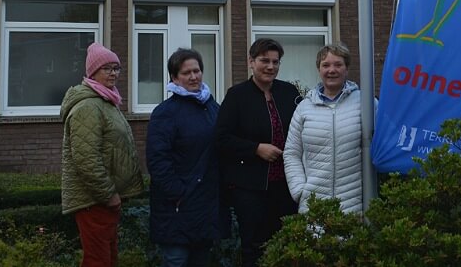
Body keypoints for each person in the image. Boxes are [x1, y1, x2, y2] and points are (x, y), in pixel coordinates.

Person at [214, 38, 300, 267]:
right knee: (254, 245)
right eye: (264, 60)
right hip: (250, 187)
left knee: (286, 243)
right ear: (251, 62)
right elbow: (221, 139)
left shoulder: (289, 92)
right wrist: (256, 149)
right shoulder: (237, 96)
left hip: (286, 185)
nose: (270, 66)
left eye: (275, 62)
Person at [61, 42, 144, 267]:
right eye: (106, 68)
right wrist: (108, 195)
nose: (113, 73)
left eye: (116, 68)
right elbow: (86, 160)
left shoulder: (106, 101)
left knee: (107, 257)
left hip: (102, 200)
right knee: (98, 260)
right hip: (94, 201)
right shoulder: (88, 106)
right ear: (92, 72)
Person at [146, 48, 224, 267]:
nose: (193, 77)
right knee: (176, 260)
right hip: (176, 209)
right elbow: (157, 160)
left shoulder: (212, 108)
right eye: (186, 73)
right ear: (174, 78)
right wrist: (178, 193)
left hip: (205, 205)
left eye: (196, 71)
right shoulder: (165, 112)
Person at [284, 44, 372, 215]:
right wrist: (299, 190)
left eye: (338, 64)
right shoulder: (304, 108)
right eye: (326, 65)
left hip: (354, 206)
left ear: (347, 69)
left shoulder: (365, 103)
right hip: (314, 206)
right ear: (319, 69)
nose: (332, 70)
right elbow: (291, 153)